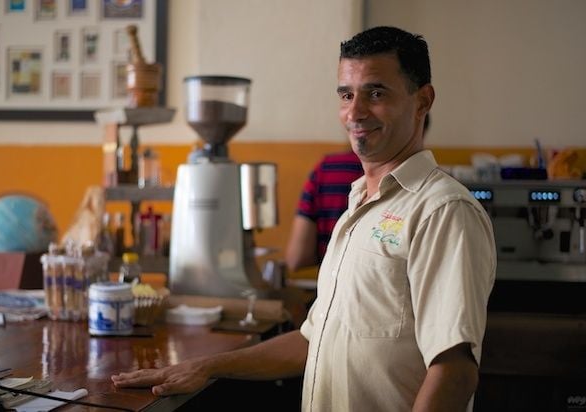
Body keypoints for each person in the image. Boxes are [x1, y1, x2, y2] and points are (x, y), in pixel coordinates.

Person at [111, 26, 496, 411]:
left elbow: (454, 371)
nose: (355, 112)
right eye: (346, 95)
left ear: (422, 101)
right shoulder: (359, 205)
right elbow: (312, 340)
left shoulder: (442, 211)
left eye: (376, 93)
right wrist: (206, 366)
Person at [285, 115, 429, 272]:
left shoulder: (327, 170)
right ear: (420, 129)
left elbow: (297, 257)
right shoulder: (428, 188)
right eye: (346, 97)